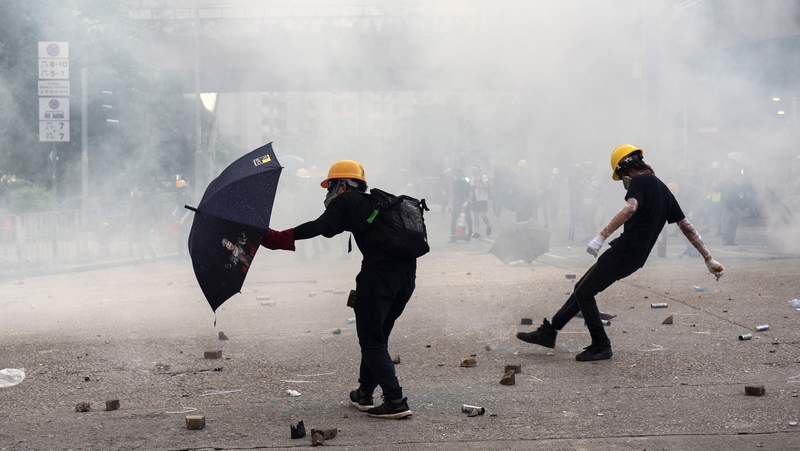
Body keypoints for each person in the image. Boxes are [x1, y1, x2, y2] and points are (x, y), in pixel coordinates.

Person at [516, 145, 725, 361]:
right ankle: (549, 331)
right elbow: (687, 226)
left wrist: (601, 236)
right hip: (634, 257)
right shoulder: (664, 189)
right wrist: (709, 259)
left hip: (625, 251)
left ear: (625, 167)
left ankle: (601, 345)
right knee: (581, 288)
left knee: (585, 293)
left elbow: (630, 208)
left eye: (623, 174)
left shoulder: (640, 181)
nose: (625, 179)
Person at [261, 159, 414, 419]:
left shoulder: (346, 201)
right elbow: (332, 230)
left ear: (343, 185)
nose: (329, 192)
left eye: (331, 185)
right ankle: (364, 393)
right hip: (407, 277)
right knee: (377, 337)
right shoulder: (373, 204)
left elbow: (320, 227)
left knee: (371, 340)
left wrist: (276, 238)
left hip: (378, 277)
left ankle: (395, 399)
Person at [129, 186, 158, 264]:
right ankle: (142, 259)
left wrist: (155, 220)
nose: (133, 190)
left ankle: (153, 254)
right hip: (137, 223)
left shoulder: (147, 198)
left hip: (146, 222)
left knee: (145, 241)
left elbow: (154, 209)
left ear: (139, 189)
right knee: (138, 241)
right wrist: (129, 220)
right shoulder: (135, 199)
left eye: (134, 188)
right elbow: (132, 210)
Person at [449, 169, 473, 242]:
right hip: (457, 202)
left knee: (468, 219)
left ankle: (469, 235)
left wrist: (467, 202)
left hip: (465, 202)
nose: (458, 175)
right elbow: (452, 193)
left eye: (460, 174)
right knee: (454, 219)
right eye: (457, 174)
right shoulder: (454, 183)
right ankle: (453, 236)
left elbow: (471, 194)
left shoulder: (466, 184)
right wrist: (450, 202)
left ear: (462, 175)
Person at [470, 165, 492, 238]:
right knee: (476, 215)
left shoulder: (483, 176)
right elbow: (471, 189)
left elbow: (486, 186)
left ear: (478, 170)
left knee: (483, 215)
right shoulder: (472, 179)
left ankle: (488, 225)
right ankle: (477, 232)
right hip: (475, 198)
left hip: (483, 198)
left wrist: (478, 187)